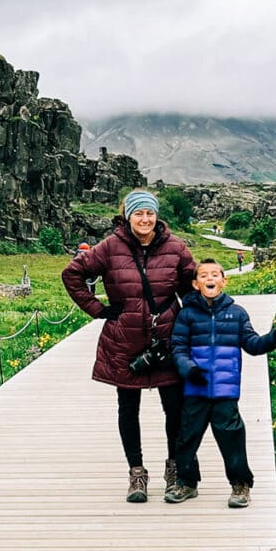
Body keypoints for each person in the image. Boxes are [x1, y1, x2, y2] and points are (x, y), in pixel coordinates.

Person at [62, 189, 196, 502]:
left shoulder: (176, 247)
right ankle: (137, 474)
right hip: (125, 340)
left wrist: (194, 323)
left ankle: (175, 469)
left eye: (150, 213)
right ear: (127, 216)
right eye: (138, 213)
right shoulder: (109, 248)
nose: (145, 219)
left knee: (174, 408)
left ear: (156, 215)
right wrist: (98, 309)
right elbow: (72, 273)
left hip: (167, 337)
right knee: (128, 407)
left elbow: (192, 287)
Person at [165, 258, 276, 508]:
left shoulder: (237, 313)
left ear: (224, 281)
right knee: (186, 438)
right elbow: (178, 348)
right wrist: (189, 369)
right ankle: (186, 483)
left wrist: (272, 339)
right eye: (203, 275)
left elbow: (253, 345)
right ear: (195, 283)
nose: (209, 278)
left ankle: (240, 485)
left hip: (226, 390)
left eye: (215, 274)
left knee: (232, 439)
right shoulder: (187, 314)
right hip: (196, 388)